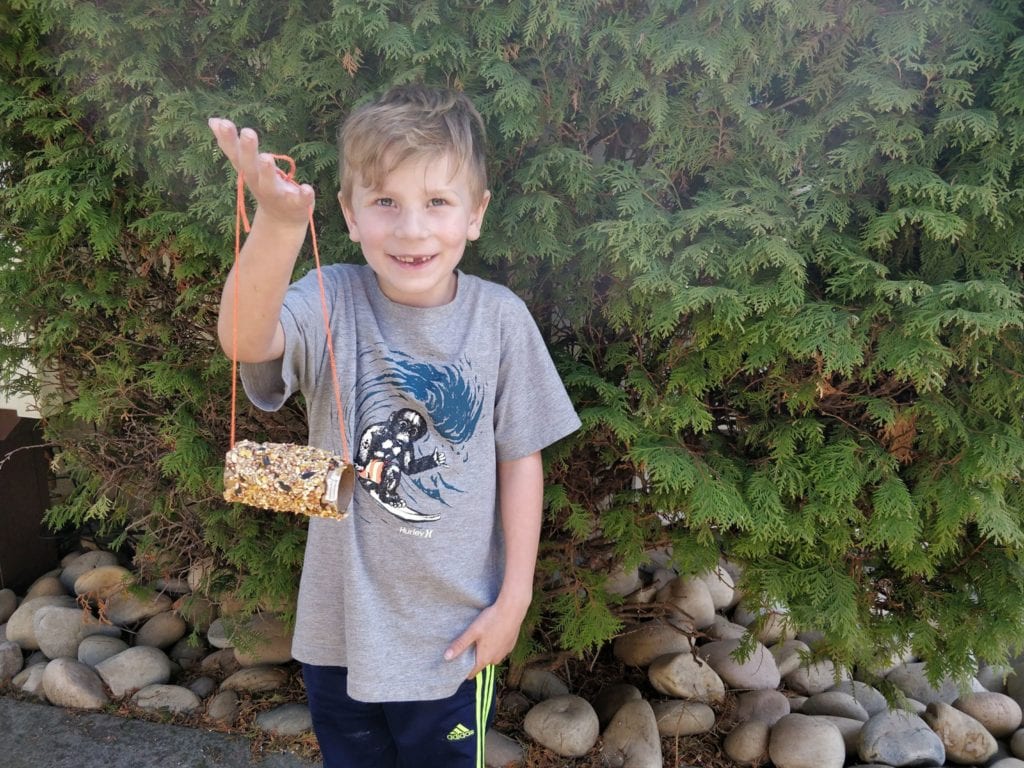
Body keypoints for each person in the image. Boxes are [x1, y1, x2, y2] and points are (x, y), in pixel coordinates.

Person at [209, 85, 581, 768]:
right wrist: (279, 226)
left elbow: (520, 457)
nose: (412, 229)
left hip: (452, 641)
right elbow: (243, 336)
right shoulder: (330, 300)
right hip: (338, 633)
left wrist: (515, 599)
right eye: (385, 202)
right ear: (349, 214)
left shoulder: (500, 320)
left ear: (476, 214)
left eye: (437, 202)